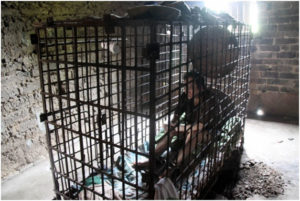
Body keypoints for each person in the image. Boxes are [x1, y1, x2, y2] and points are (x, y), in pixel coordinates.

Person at [134, 71, 210, 178]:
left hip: (207, 133)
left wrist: (179, 128)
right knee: (172, 130)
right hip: (189, 127)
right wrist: (171, 125)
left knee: (194, 132)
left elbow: (201, 126)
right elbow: (177, 115)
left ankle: (173, 167)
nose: (187, 90)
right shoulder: (185, 96)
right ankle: (151, 160)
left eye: (191, 87)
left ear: (201, 87)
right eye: (185, 86)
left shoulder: (208, 100)